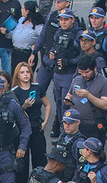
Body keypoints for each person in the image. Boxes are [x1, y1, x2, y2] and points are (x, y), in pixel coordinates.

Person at [10, 62, 50, 183]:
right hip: (22, 130)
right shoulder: (15, 92)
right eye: (22, 72)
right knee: (23, 161)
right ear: (17, 75)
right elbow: (14, 114)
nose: (25, 75)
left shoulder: (37, 88)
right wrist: (24, 106)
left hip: (37, 127)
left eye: (27, 72)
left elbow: (47, 104)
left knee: (40, 159)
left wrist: (45, 121)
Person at [42, 9, 81, 139]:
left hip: (69, 74)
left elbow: (82, 57)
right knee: (58, 103)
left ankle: (69, 134)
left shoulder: (77, 34)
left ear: (72, 20)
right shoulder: (58, 32)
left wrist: (69, 62)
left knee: (66, 104)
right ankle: (61, 130)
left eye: (66, 19)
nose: (63, 22)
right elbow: (54, 47)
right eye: (61, 20)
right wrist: (52, 53)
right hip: (57, 74)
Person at [64, 55, 107, 143]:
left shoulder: (104, 83)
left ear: (95, 68)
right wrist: (68, 99)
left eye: (87, 72)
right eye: (81, 72)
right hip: (75, 125)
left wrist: (88, 95)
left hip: (92, 126)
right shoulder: (77, 79)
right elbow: (70, 94)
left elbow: (105, 105)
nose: (84, 75)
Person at [31, 0, 73, 98]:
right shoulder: (51, 15)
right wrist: (34, 52)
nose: (57, 2)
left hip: (60, 64)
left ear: (67, 3)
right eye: (56, 1)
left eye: (60, 1)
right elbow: (43, 34)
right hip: (47, 60)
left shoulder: (73, 23)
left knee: (59, 97)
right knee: (37, 90)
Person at [4, 1, 44, 73]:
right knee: (14, 75)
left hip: (26, 54)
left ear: (27, 11)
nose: (21, 10)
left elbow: (44, 38)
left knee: (25, 75)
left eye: (23, 8)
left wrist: (35, 46)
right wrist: (7, 33)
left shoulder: (38, 26)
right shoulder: (21, 20)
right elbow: (15, 34)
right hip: (16, 52)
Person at [87, 6, 107, 81]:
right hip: (87, 73)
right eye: (91, 18)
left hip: (101, 75)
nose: (93, 21)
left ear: (103, 19)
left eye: (96, 18)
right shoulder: (88, 34)